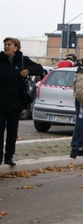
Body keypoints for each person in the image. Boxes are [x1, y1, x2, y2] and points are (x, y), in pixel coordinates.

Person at [0, 37, 44, 166]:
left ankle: (9, 157)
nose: (6, 47)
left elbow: (40, 69)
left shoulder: (22, 60)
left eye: (9, 44)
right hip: (1, 103)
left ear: (16, 47)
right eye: (5, 44)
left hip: (16, 103)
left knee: (12, 131)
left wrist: (29, 70)